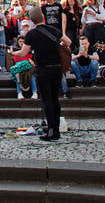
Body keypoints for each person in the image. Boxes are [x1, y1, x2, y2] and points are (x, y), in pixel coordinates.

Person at [16, 9, 70, 141]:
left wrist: (13, 53)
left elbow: (23, 53)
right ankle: (56, 129)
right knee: (55, 99)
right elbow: (68, 42)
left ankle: (51, 130)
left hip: (43, 69)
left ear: (32, 21)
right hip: (57, 68)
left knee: (46, 100)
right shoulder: (52, 30)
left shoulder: (31, 34)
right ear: (43, 17)